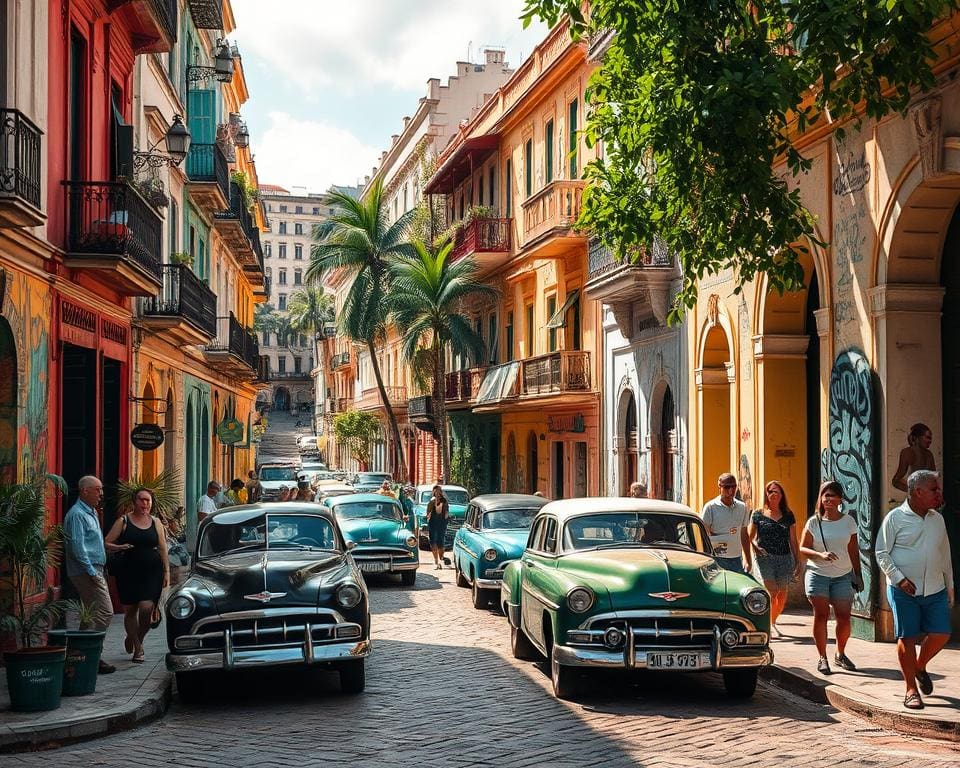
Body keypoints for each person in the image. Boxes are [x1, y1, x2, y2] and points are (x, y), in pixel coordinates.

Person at [875, 470, 954, 710]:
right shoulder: (895, 518)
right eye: (934, 489)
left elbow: (944, 554)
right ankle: (910, 689)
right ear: (917, 491)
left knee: (942, 633)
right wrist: (899, 579)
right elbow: (881, 552)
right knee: (907, 637)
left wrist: (950, 585)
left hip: (935, 588)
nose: (938, 493)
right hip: (904, 591)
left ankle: (919, 665)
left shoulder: (937, 519)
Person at [798, 480, 863, 676]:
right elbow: (802, 548)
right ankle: (822, 657)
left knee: (844, 618)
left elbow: (853, 549)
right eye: (825, 495)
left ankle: (840, 654)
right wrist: (820, 555)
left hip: (842, 575)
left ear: (840, 499)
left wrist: (858, 575)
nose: (828, 499)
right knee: (821, 615)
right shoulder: (814, 522)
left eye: (833, 495)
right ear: (821, 498)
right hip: (817, 574)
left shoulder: (848, 521)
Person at [105, 488, 169, 664]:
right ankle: (137, 647)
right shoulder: (123, 521)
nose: (145, 504)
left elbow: (163, 547)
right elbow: (107, 542)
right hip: (127, 571)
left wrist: (167, 572)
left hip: (152, 571)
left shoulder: (156, 522)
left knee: (147, 609)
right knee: (131, 611)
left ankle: (136, 638)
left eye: (148, 500)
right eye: (141, 500)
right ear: (134, 501)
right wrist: (119, 547)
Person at [62, 475, 115, 674]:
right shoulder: (77, 514)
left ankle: (80, 655)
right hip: (86, 571)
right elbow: (77, 547)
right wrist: (92, 572)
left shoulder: (91, 512)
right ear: (85, 491)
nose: (101, 494)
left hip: (95, 568)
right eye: (97, 489)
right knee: (105, 612)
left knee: (90, 615)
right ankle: (93, 653)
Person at [747, 480, 800, 636]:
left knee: (781, 594)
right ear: (766, 494)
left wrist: (798, 560)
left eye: (777, 491)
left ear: (782, 495)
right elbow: (749, 537)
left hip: (784, 557)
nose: (773, 494)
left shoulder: (788, 515)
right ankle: (767, 626)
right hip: (765, 557)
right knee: (771, 592)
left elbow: (793, 540)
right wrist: (755, 548)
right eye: (770, 491)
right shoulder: (758, 514)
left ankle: (772, 621)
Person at [701, 473, 752, 574]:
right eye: (727, 487)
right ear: (719, 487)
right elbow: (703, 535)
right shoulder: (710, 507)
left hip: (736, 559)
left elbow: (744, 534)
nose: (731, 490)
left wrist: (748, 559)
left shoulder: (742, 507)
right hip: (717, 559)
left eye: (733, 486)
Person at [892, 423, 936, 493]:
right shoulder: (907, 452)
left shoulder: (929, 455)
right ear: (917, 438)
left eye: (930, 438)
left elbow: (933, 479)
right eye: (927, 437)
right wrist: (913, 491)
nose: (930, 441)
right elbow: (896, 481)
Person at [426, 485, 450, 570]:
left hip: (442, 522)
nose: (437, 493)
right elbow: (428, 512)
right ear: (433, 492)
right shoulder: (431, 501)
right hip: (433, 522)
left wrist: (445, 520)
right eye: (435, 491)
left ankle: (441, 558)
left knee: (441, 540)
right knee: (433, 541)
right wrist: (428, 518)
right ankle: (436, 560)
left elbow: (446, 511)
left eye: (438, 491)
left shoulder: (444, 501)